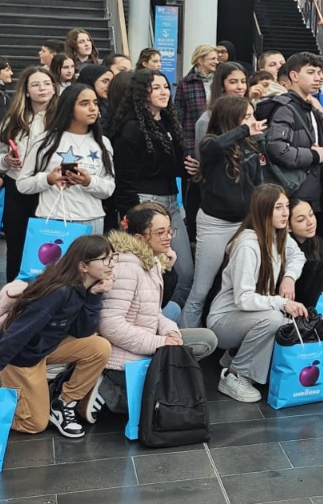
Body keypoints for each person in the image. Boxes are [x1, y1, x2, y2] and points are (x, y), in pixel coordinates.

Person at [0, 235, 113, 437]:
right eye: (105, 259)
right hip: (21, 357)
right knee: (34, 424)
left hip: (47, 348)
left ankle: (64, 404)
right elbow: (19, 331)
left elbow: (81, 332)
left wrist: (94, 297)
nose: (111, 264)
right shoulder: (59, 292)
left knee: (99, 347)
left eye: (112, 257)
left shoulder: (84, 288)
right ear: (83, 266)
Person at [94, 204, 218, 414]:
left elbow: (154, 313)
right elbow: (110, 324)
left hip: (144, 344)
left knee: (206, 340)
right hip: (122, 358)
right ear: (140, 238)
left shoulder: (150, 262)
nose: (168, 237)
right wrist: (160, 342)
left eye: (170, 230)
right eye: (160, 232)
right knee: (162, 403)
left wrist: (170, 331)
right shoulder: (127, 267)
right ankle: (104, 390)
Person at [206, 184, 308, 402]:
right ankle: (234, 375)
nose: (285, 213)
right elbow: (243, 299)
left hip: (245, 317)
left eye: (287, 206)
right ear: (263, 211)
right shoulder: (247, 245)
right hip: (223, 320)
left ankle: (235, 356)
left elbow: (298, 256)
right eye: (278, 207)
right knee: (274, 318)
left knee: (280, 319)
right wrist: (281, 302)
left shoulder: (278, 235)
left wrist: (289, 278)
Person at [109, 69, 195, 306]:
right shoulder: (131, 128)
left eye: (166, 87)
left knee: (185, 272)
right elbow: (125, 181)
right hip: (145, 204)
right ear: (142, 92)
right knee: (152, 271)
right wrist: (135, 217)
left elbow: (172, 165)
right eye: (155, 87)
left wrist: (189, 167)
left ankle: (171, 323)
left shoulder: (168, 122)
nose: (163, 92)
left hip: (171, 203)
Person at [182, 95, 268, 328]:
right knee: (201, 288)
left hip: (244, 223)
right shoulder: (210, 143)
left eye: (252, 116)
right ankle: (183, 344)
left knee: (240, 284)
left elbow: (258, 183)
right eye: (247, 117)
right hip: (216, 224)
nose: (252, 122)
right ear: (233, 119)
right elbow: (216, 146)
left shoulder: (250, 143)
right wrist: (243, 130)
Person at [19, 83, 115, 235]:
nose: (93, 108)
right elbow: (23, 184)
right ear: (69, 108)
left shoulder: (103, 143)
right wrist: (49, 179)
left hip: (91, 220)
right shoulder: (45, 141)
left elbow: (109, 189)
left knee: (90, 259)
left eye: (95, 103)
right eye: (84, 104)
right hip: (53, 219)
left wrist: (88, 181)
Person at [0, 66, 56, 281]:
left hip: (50, 189)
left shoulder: (65, 120)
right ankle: (13, 297)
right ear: (26, 91)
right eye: (36, 85)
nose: (43, 89)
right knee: (17, 246)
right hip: (17, 189)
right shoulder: (13, 120)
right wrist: (6, 160)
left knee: (49, 246)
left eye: (47, 83)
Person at [265, 52, 323, 212]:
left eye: (320, 73)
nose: (318, 78)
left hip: (309, 189)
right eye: (311, 72)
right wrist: (313, 155)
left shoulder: (309, 108)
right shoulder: (286, 108)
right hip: (294, 191)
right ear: (294, 75)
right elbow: (277, 149)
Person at [173, 44, 220, 158]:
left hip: (218, 136)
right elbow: (178, 115)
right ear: (200, 60)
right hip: (193, 139)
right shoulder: (185, 83)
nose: (217, 62)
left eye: (217, 59)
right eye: (213, 58)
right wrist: (183, 145)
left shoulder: (220, 81)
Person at [194, 61, 248, 148]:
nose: (240, 87)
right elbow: (203, 154)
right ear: (221, 85)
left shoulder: (249, 113)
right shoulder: (207, 119)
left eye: (243, 81)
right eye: (233, 82)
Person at [75, 64, 115, 132]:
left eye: (111, 82)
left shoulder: (110, 105)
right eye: (105, 81)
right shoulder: (75, 102)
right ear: (91, 80)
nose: (109, 86)